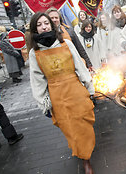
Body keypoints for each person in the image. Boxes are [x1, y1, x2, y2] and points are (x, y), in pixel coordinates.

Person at [28, 12, 95, 174]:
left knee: (84, 124)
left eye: (46, 23)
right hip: (57, 96)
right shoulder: (34, 53)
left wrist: (89, 87)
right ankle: (84, 158)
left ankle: (86, 155)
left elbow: (80, 66)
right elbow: (37, 81)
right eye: (39, 24)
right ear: (35, 29)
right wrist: (43, 102)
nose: (43, 26)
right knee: (70, 128)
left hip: (76, 90)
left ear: (51, 25)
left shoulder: (66, 43)